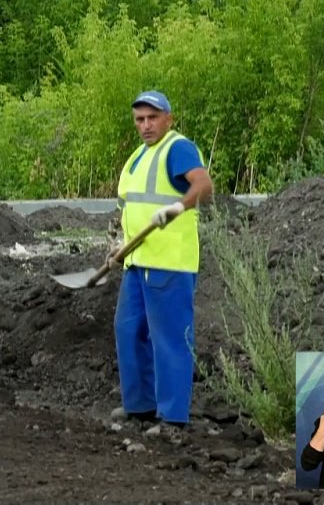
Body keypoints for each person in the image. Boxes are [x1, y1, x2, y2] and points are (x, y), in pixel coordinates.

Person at [110, 90, 213, 428]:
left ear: (169, 118)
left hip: (169, 264)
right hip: (137, 262)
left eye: (152, 118)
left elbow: (204, 185)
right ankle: (140, 405)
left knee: (170, 338)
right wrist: (120, 244)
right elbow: (133, 208)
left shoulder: (178, 148)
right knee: (128, 329)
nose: (146, 125)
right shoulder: (138, 156)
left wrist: (178, 206)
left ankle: (172, 417)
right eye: (139, 119)